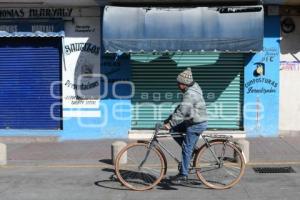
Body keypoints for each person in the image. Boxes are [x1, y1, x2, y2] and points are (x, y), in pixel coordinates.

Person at [163, 67, 208, 183]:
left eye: (179, 84)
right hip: (193, 120)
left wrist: (170, 123)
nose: (177, 86)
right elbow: (182, 107)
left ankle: (183, 174)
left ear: (184, 84)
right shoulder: (194, 86)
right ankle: (191, 150)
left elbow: (182, 111)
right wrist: (170, 119)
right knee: (174, 130)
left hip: (196, 124)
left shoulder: (190, 94)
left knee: (186, 148)